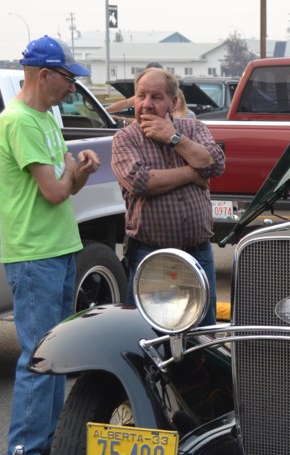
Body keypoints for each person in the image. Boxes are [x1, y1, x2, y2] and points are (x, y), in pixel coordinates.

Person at [0, 35, 100, 455]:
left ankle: (47, 442)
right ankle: (24, 454)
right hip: (35, 255)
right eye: (68, 79)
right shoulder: (20, 122)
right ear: (43, 75)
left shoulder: (45, 118)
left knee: (56, 354)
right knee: (38, 356)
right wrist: (74, 172)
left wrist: (82, 172)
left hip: (57, 248)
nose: (72, 88)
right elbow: (56, 190)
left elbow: (64, 187)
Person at [111, 67, 225, 322]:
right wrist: (193, 174)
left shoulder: (193, 128)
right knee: (151, 337)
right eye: (141, 96)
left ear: (173, 103)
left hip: (198, 254)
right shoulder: (125, 139)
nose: (147, 104)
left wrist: (173, 138)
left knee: (201, 335)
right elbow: (141, 181)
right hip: (152, 257)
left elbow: (215, 163)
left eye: (156, 97)